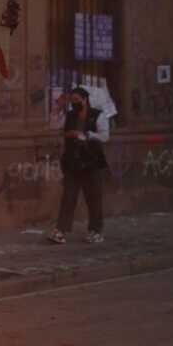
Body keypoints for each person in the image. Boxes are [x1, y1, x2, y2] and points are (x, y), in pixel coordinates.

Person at [48, 86, 109, 244]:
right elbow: (55, 126)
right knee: (68, 197)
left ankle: (96, 231)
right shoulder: (69, 115)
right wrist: (58, 107)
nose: (74, 103)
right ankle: (60, 230)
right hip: (72, 162)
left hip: (91, 161)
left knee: (93, 198)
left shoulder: (98, 115)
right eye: (72, 100)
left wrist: (87, 135)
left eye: (77, 100)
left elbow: (105, 136)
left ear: (84, 99)